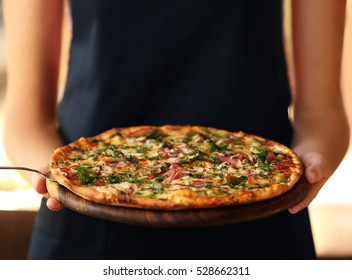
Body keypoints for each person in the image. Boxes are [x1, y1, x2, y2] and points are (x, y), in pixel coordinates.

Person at [2, 0, 349, 259]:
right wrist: (56, 172)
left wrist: (314, 155)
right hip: (86, 222)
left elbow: (323, 110)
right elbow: (25, 117)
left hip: (263, 219)